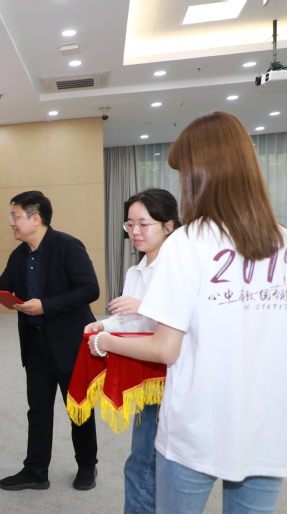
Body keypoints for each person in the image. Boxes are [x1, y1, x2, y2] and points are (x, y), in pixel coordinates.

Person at [88, 111, 287, 513]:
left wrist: (105, 340)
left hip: (198, 424)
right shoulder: (282, 240)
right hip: (268, 425)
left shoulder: (188, 242)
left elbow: (165, 348)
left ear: (199, 174)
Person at [0, 190, 100, 492]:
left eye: (15, 216)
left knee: (78, 408)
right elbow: (0, 288)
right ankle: (36, 471)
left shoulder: (68, 246)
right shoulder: (19, 255)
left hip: (69, 343)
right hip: (36, 344)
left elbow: (90, 289)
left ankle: (87, 465)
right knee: (38, 410)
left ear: (35, 219)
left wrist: (45, 306)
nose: (11, 222)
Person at [84, 188, 181, 514]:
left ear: (168, 225)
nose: (135, 231)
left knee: (145, 462)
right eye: (129, 224)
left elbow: (182, 321)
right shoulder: (135, 270)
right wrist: (103, 325)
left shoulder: (179, 267)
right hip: (145, 372)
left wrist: (143, 305)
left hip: (171, 373)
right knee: (146, 457)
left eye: (143, 223)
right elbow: (130, 321)